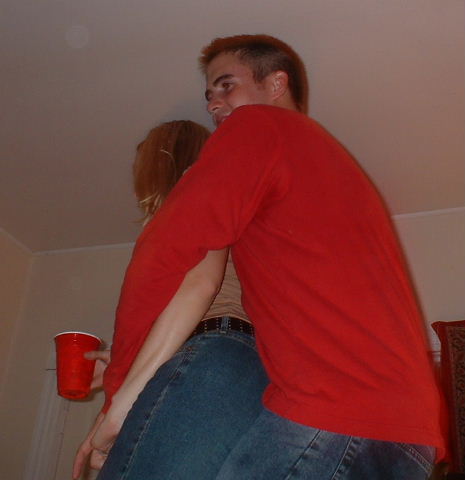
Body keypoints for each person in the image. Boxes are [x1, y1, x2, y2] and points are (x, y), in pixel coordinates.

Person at [92, 34, 445, 479]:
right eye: (209, 94)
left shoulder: (257, 125)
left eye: (226, 85)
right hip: (410, 439)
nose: (213, 103)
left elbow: (169, 256)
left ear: (276, 84)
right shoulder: (333, 168)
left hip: (334, 418)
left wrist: (118, 391)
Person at [72, 120, 268, 479]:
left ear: (160, 159)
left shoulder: (202, 182)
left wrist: (119, 412)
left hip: (214, 354)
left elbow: (200, 283)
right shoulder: (197, 210)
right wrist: (119, 366)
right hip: (226, 363)